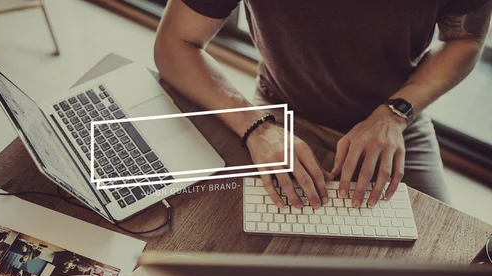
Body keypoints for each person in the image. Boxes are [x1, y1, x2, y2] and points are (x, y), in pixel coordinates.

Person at [154, 0, 492, 208]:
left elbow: (465, 39)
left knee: (442, 274)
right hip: (280, 110)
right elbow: (175, 43)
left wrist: (394, 115)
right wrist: (256, 127)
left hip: (397, 114)